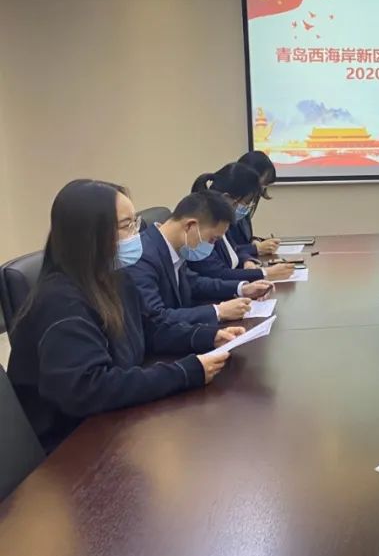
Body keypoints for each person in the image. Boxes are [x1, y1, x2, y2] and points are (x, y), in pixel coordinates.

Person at [7, 180, 241, 452]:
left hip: (111, 420)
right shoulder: (60, 301)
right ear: (90, 234)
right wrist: (184, 372)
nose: (136, 234)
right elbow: (88, 388)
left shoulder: (114, 278)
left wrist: (207, 336)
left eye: (135, 223)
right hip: (70, 445)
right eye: (126, 225)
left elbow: (151, 328)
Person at [128, 190, 275, 326]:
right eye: (212, 239)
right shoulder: (142, 256)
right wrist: (218, 312)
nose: (212, 245)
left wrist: (242, 289)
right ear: (190, 226)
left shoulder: (173, 247)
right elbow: (156, 318)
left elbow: (193, 283)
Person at [187, 163, 294, 283]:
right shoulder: (203, 226)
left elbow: (234, 249)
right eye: (246, 202)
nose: (247, 207)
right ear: (227, 199)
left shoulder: (221, 219)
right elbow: (217, 273)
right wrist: (264, 273)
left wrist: (246, 261)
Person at [229, 150, 280, 259]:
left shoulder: (245, 205)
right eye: (262, 184)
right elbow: (226, 250)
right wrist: (256, 248)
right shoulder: (227, 205)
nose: (261, 189)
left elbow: (244, 240)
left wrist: (256, 241)